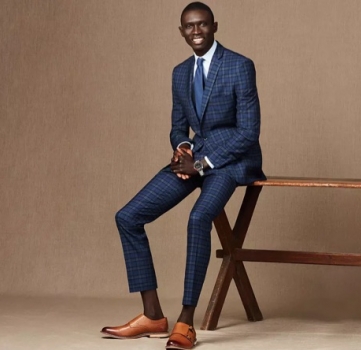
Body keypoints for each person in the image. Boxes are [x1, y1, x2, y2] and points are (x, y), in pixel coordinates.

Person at [100, 2, 265, 349]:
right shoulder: (179, 73)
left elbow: (249, 132)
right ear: (181, 31)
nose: (196, 32)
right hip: (195, 159)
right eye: (189, 27)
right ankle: (152, 316)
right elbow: (178, 126)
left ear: (214, 26)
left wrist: (203, 166)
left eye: (202, 25)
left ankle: (186, 321)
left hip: (233, 161)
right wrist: (184, 147)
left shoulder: (239, 65)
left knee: (198, 217)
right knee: (128, 217)